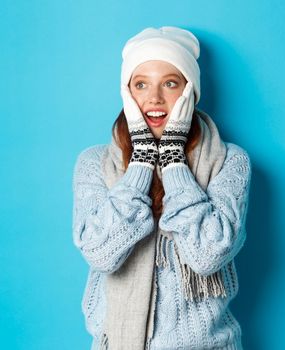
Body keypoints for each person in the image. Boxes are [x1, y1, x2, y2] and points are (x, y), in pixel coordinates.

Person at [72, 26, 251, 350]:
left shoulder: (229, 160)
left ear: (190, 91)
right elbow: (100, 253)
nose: (154, 98)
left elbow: (209, 255)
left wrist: (173, 161)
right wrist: (141, 163)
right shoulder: (94, 163)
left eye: (170, 83)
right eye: (141, 84)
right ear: (127, 92)